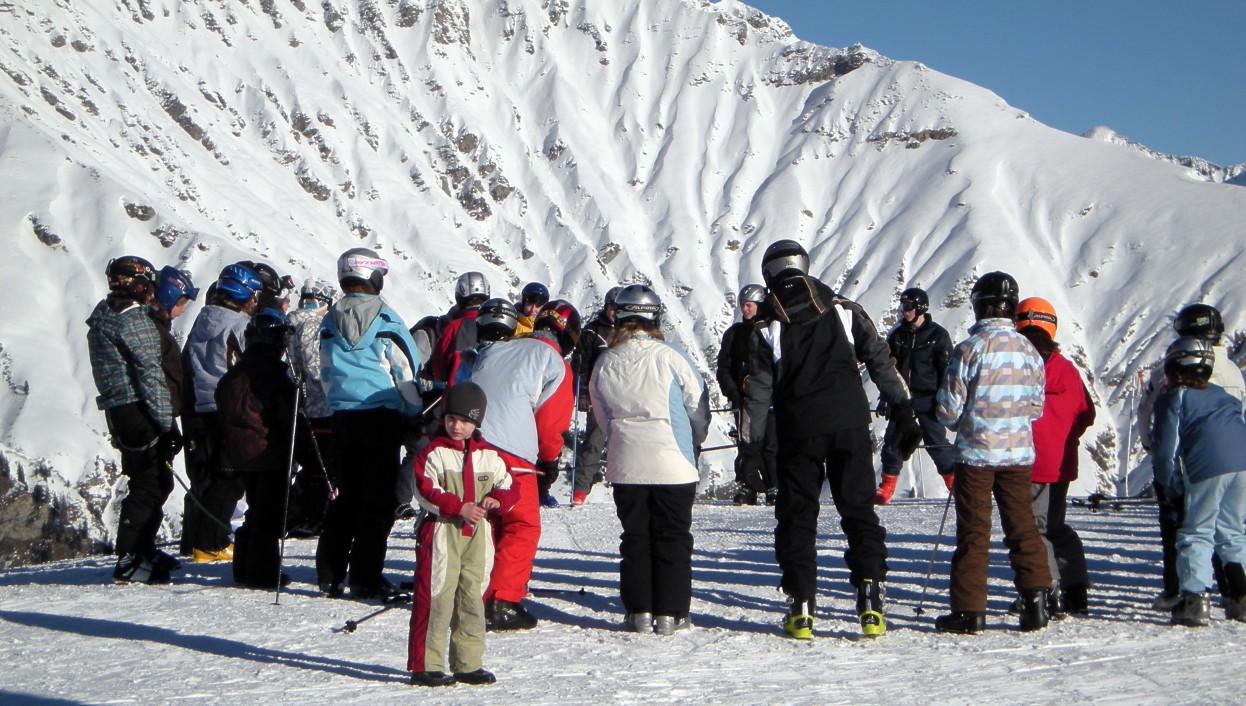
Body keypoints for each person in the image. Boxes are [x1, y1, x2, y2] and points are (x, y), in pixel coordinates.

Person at [745, 240, 922, 639]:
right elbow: (880, 358)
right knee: (858, 512)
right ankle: (871, 604)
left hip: (798, 428)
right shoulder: (843, 309)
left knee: (798, 517)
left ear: (769, 275)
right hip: (849, 422)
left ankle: (802, 608)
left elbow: (756, 393)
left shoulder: (767, 326)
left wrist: (751, 448)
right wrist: (904, 410)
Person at [933, 271, 1052, 634]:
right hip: (1018, 455)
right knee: (1023, 528)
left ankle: (970, 612)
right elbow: (1037, 408)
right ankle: (1036, 604)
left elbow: (948, 410)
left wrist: (964, 423)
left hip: (976, 455)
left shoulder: (969, 349)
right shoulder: (1029, 350)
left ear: (979, 306)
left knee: (974, 533)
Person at [589, 285, 710, 635]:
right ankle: (672, 613)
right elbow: (697, 405)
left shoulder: (605, 361)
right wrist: (694, 438)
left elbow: (601, 414)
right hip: (673, 461)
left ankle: (639, 611)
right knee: (673, 537)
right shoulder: (671, 355)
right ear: (655, 318)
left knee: (635, 538)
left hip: (626, 462)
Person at [316, 248, 422, 600]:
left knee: (345, 496)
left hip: (343, 416)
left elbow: (325, 371)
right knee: (376, 501)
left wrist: (337, 403)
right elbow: (406, 371)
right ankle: (365, 576)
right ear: (374, 278)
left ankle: (329, 574)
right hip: (381, 416)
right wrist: (413, 412)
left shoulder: (329, 320)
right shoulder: (386, 319)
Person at [468, 299, 578, 630]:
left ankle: (472, 590)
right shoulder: (554, 361)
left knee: (484, 519)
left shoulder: (498, 349)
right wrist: (548, 461)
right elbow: (550, 424)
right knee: (521, 523)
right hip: (513, 450)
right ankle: (502, 600)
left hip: (471, 444)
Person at [407, 382, 518, 687]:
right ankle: (425, 665)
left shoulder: (490, 456)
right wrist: (458, 507)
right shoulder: (434, 452)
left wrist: (497, 499)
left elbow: (510, 485)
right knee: (436, 596)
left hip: (477, 535)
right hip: (442, 532)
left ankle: (467, 662)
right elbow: (424, 489)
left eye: (465, 421)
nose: (457, 427)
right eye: (452, 419)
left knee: (472, 595)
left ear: (476, 423)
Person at [1138, 303, 1245, 609]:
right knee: (1231, 532)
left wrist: (1171, 489)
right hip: (1241, 463)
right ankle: (1240, 595)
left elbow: (1165, 450)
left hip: (1203, 466)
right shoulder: (1228, 384)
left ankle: (1193, 598)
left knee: (1195, 532)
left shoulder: (1174, 395)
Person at [86, 256, 180, 584]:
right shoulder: (133, 320)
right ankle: (129, 558)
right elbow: (150, 376)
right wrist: (166, 423)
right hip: (139, 410)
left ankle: (143, 549)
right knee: (150, 483)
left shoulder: (105, 313)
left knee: (151, 480)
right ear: (138, 286)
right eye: (148, 285)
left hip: (119, 410)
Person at [215, 309, 311, 589]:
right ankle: (262, 573)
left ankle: (243, 568)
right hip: (270, 453)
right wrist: (306, 454)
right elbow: (289, 419)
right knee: (269, 516)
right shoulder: (276, 377)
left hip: (240, 454)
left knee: (255, 509)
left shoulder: (234, 375)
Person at [1012, 297, 1096, 616]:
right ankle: (1076, 588)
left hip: (1028, 461)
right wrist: (1064, 437)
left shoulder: (1017, 366)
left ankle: (1046, 590)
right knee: (1055, 525)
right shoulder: (1067, 369)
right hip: (1061, 462)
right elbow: (1087, 413)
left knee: (1033, 529)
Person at [181, 262, 263, 561]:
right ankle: (211, 543)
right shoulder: (239, 324)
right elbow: (249, 363)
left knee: (205, 476)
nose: (255, 301)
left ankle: (194, 540)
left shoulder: (203, 317)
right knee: (229, 478)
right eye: (254, 294)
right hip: (228, 407)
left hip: (199, 405)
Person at [874, 287, 956, 504]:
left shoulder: (938, 335)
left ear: (921, 307)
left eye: (909, 306)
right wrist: (886, 397)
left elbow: (946, 370)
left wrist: (944, 398)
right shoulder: (897, 335)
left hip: (929, 398)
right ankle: (886, 487)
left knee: (936, 441)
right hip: (902, 398)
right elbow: (889, 370)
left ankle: (954, 483)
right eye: (903, 306)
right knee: (893, 441)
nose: (905, 311)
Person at [284, 278, 338, 537]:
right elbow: (314, 367)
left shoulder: (290, 322)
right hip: (320, 404)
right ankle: (314, 514)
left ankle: (300, 513)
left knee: (310, 463)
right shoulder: (311, 324)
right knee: (323, 464)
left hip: (301, 402)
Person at [717, 284, 778, 507]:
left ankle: (773, 485)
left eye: (749, 305)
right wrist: (733, 391)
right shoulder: (735, 334)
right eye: (743, 304)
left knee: (771, 443)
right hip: (744, 399)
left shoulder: (772, 331)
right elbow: (724, 366)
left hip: (770, 398)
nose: (745, 309)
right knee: (747, 444)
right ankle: (748, 484)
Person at [570, 285, 621, 506]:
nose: (614, 312)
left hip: (623, 396)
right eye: (611, 307)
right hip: (598, 396)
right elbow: (579, 367)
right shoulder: (592, 332)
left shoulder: (627, 332)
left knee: (626, 443)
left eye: (618, 308)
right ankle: (580, 490)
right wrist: (582, 395)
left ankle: (629, 487)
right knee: (594, 442)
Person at [428, 271, 491, 386]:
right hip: (491, 390)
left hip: (457, 392)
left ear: (459, 297)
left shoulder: (453, 327)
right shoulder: (494, 325)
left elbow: (439, 371)